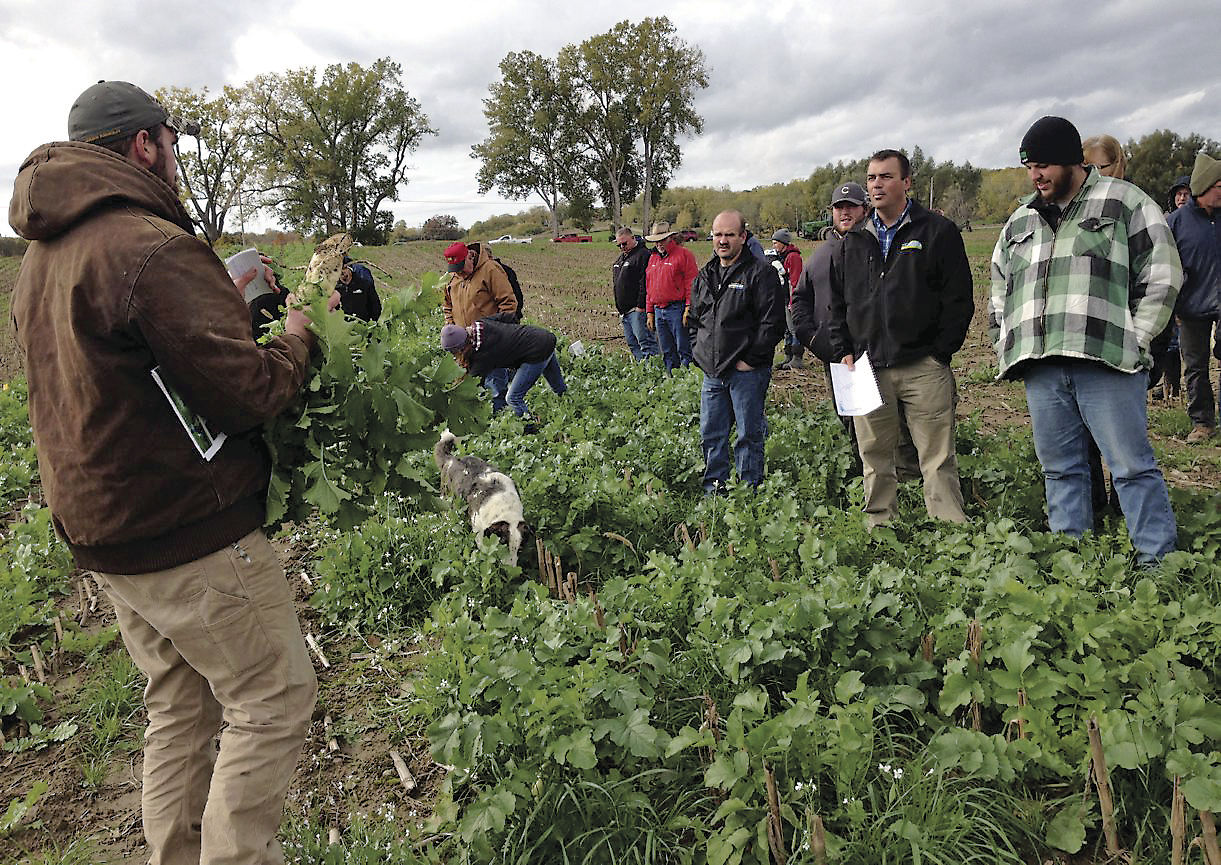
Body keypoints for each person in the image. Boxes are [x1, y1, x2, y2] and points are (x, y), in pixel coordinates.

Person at [9, 80, 338, 865]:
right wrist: (296, 334)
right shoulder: (147, 245)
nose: (175, 158)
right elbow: (249, 393)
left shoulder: (41, 256)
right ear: (140, 145)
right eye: (170, 141)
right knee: (272, 695)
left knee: (180, 708)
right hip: (183, 531)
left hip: (107, 535)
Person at [990, 115, 1182, 563]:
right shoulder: (1020, 220)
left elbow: (1163, 274)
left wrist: (1137, 336)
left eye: (1044, 166)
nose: (1036, 176)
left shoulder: (1124, 203)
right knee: (1060, 470)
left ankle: (1157, 563)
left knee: (1131, 467)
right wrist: (1005, 338)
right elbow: (1000, 285)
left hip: (1107, 361)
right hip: (1042, 365)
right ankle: (1072, 560)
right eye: (1029, 167)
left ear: (1072, 161)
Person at [829, 149, 974, 526]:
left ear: (907, 182)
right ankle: (880, 525)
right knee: (874, 454)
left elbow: (958, 298)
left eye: (886, 176)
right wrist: (845, 350)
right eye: (872, 177)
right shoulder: (854, 240)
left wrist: (940, 352)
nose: (876, 184)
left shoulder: (935, 231)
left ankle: (949, 528)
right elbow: (837, 303)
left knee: (936, 455)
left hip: (923, 365)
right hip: (868, 367)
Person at [687, 210, 786, 494]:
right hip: (713, 373)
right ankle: (714, 490)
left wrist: (750, 360)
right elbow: (694, 320)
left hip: (747, 372)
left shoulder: (760, 273)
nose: (723, 240)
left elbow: (772, 323)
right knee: (711, 434)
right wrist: (699, 353)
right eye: (718, 234)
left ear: (743, 237)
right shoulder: (705, 275)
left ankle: (748, 493)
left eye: (729, 234)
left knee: (748, 435)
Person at [1167, 152, 1221, 442]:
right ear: (1204, 186)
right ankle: (1203, 423)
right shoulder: (1176, 222)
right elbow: (1166, 266)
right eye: (1220, 186)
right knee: (1196, 366)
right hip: (1190, 307)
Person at [441, 318, 566, 423]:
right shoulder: (480, 324)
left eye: (454, 352)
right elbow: (507, 316)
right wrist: (514, 337)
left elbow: (473, 383)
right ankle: (568, 404)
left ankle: (531, 426)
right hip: (541, 336)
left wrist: (455, 392)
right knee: (558, 388)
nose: (454, 356)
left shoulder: (483, 355)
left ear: (462, 348)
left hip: (536, 350)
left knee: (513, 398)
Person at [443, 241, 519, 409]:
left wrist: (494, 332)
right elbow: (448, 305)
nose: (460, 273)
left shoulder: (490, 270)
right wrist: (451, 326)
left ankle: (500, 423)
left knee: (496, 386)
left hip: (491, 341)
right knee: (469, 387)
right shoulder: (454, 278)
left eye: (462, 267)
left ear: (470, 256)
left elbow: (508, 305)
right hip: (466, 345)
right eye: (456, 270)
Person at [644, 221, 697, 373]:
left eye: (662, 240)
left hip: (677, 308)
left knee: (683, 348)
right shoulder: (653, 258)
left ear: (670, 238)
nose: (659, 244)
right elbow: (650, 286)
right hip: (659, 310)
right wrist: (649, 312)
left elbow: (691, 283)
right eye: (656, 241)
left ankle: (688, 381)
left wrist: (688, 307)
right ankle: (671, 380)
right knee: (666, 350)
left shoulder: (684, 255)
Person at [612, 227, 658, 360]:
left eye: (624, 243)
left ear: (633, 238)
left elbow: (645, 283)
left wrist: (640, 306)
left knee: (646, 344)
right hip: (625, 312)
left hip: (637, 310)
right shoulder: (621, 259)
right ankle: (642, 371)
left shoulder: (643, 255)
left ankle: (653, 371)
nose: (622, 247)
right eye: (619, 245)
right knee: (633, 345)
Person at [771, 228, 805, 370]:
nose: (774, 246)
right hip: (784, 299)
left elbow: (795, 281)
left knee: (794, 328)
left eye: (775, 243)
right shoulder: (781, 257)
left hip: (792, 299)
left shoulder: (793, 258)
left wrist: (793, 302)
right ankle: (788, 356)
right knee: (786, 329)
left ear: (783, 243)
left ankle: (797, 358)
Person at [336, 254, 382, 322]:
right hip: (347, 319)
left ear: (349, 268)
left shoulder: (363, 279)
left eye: (344, 269)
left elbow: (374, 302)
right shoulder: (336, 284)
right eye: (338, 272)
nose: (342, 275)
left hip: (364, 319)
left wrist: (375, 322)